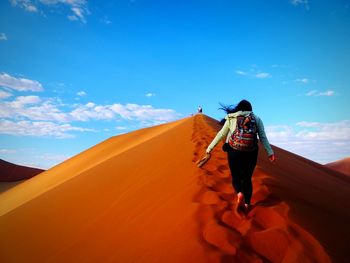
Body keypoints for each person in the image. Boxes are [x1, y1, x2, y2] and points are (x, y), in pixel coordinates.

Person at [198, 100, 275, 212]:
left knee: (236, 177)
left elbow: (221, 134)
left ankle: (239, 193)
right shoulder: (256, 119)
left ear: (238, 108)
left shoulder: (231, 117)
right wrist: (270, 152)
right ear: (250, 109)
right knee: (247, 179)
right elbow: (262, 137)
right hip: (251, 152)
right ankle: (247, 204)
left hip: (234, 151)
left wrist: (209, 148)